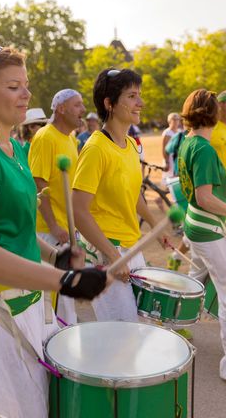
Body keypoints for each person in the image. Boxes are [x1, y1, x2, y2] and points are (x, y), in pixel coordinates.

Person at [0, 43, 108, 418]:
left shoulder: (14, 148)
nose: (27, 94)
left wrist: (55, 255)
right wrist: (61, 280)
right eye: (13, 86)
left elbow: (12, 228)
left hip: (26, 306)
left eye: (26, 84)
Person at [72, 68, 166, 321]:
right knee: (123, 338)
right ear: (109, 103)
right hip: (106, 251)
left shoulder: (131, 146)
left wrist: (158, 229)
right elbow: (78, 212)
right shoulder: (95, 149)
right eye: (132, 96)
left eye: (139, 95)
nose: (141, 103)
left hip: (131, 246)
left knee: (142, 329)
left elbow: (133, 196)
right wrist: (113, 255)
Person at [178, 88, 226, 383]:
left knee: (198, 282)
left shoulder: (189, 141)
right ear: (211, 113)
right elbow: (205, 197)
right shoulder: (203, 149)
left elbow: (206, 195)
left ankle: (176, 331)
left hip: (198, 225)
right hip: (208, 227)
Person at [29, 89, 86, 323]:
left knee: (66, 297)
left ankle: (66, 346)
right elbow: (38, 182)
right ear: (61, 109)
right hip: (48, 231)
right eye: (77, 105)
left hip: (67, 229)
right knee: (48, 302)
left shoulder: (71, 138)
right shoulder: (45, 137)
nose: (82, 110)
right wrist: (53, 225)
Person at [162, 112, 181, 181]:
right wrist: (167, 162)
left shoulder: (179, 132)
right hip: (170, 158)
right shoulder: (167, 132)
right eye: (174, 119)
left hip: (178, 158)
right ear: (169, 121)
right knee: (170, 180)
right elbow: (164, 149)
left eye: (178, 119)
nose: (176, 121)